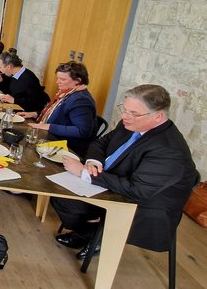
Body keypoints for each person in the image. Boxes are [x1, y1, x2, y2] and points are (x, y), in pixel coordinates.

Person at [52, 85, 197, 259]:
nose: (124, 117)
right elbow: (100, 144)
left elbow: (138, 190)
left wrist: (86, 174)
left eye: (133, 113)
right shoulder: (130, 124)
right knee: (60, 195)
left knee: (67, 201)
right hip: (117, 182)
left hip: (144, 207)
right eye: (124, 109)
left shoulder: (169, 150)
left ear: (158, 116)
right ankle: (88, 234)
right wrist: (92, 162)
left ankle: (94, 234)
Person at [18, 61, 97, 157]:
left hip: (66, 147)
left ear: (78, 80)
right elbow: (56, 113)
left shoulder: (81, 100)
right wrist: (35, 114)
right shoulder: (68, 92)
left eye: (62, 79)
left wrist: (49, 126)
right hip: (51, 137)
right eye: (58, 78)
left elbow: (82, 131)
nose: (57, 82)